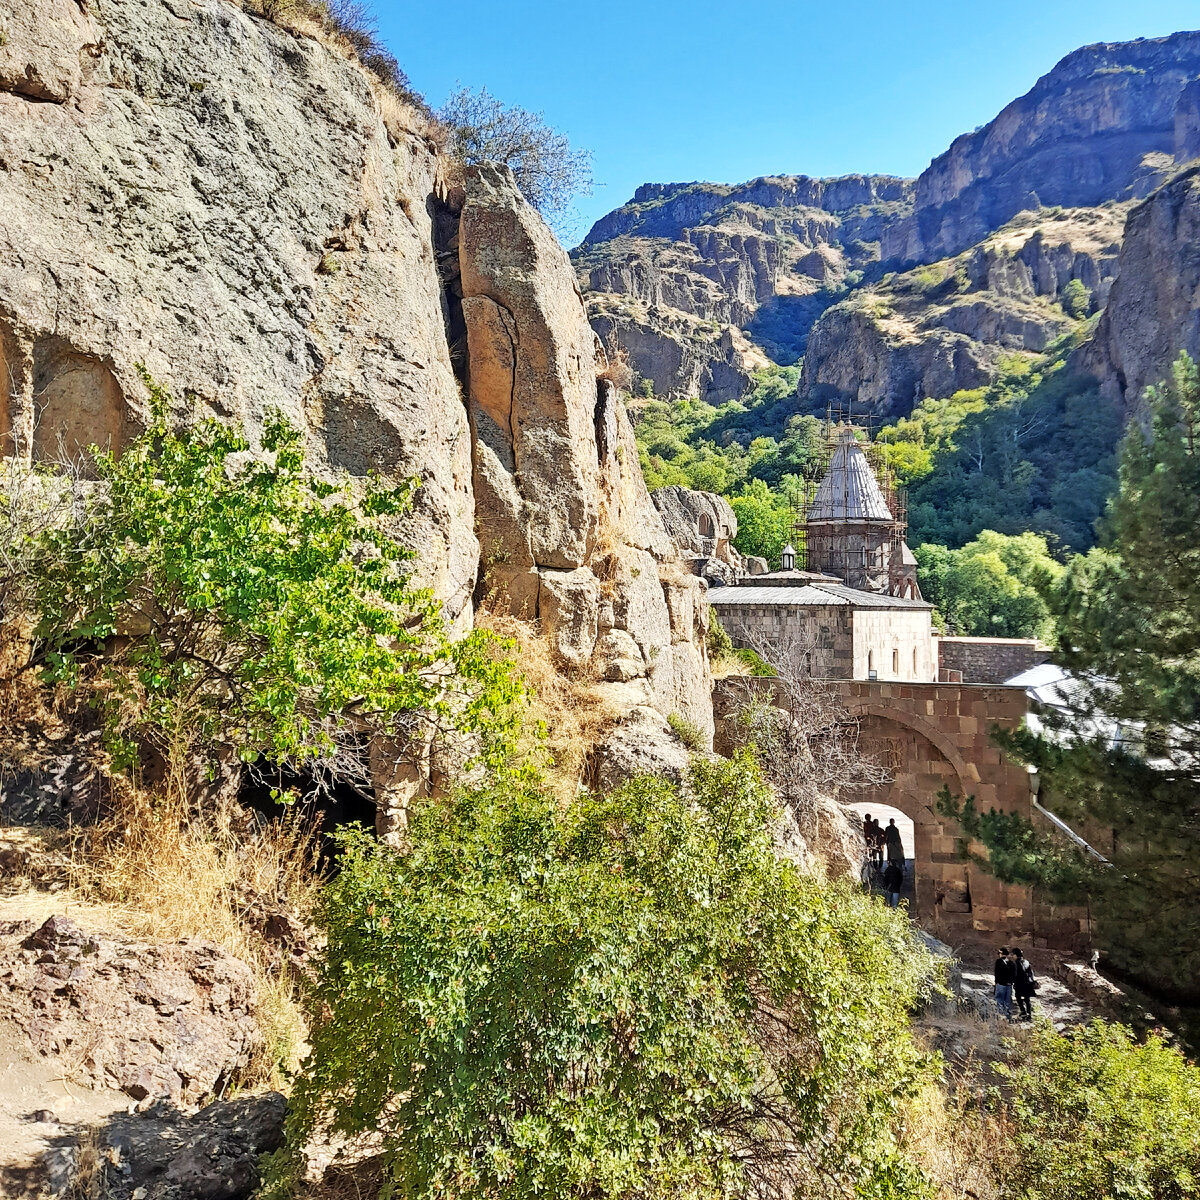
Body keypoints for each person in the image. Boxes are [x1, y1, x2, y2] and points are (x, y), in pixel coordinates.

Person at [1012, 947, 1037, 1020]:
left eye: (1013, 954)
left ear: (1016, 955)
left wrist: (1014, 982)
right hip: (1028, 983)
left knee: (1018, 997)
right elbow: (1030, 972)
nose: (1013, 956)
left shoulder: (1016, 963)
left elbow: (1016, 974)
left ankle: (1023, 1011)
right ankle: (1029, 1014)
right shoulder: (1026, 961)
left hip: (1020, 984)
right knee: (1027, 999)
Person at [994, 947, 1016, 1019]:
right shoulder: (1011, 963)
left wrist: (996, 983)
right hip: (1009, 985)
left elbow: (997, 973)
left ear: (1001, 954)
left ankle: (1000, 1015)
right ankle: (1007, 1014)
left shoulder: (998, 962)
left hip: (1001, 984)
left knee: (999, 999)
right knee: (1007, 1000)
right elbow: (1014, 974)